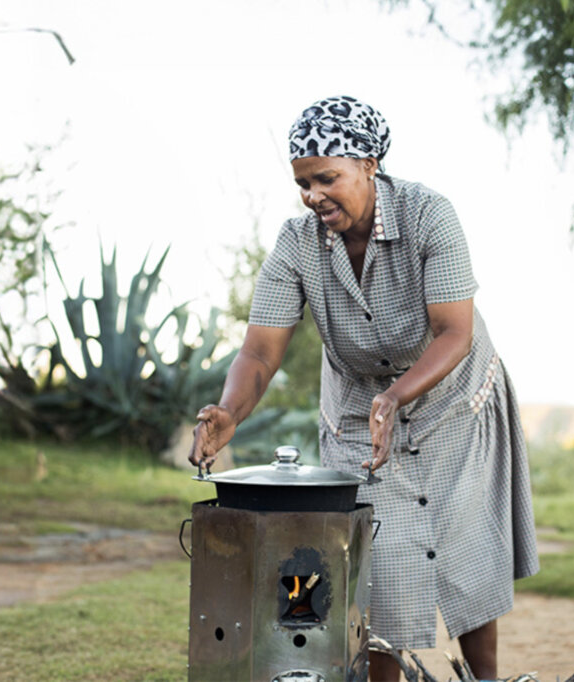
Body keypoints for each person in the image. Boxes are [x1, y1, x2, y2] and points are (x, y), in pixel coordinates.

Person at [189, 95, 539, 681]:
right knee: (373, 563)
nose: (313, 195)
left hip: (453, 398)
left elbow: (455, 332)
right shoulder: (297, 242)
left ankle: (485, 681)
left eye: (327, 178)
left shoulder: (430, 214)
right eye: (303, 183)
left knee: (466, 548)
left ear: (370, 164)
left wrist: (398, 396)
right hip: (355, 405)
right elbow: (259, 348)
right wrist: (229, 412)